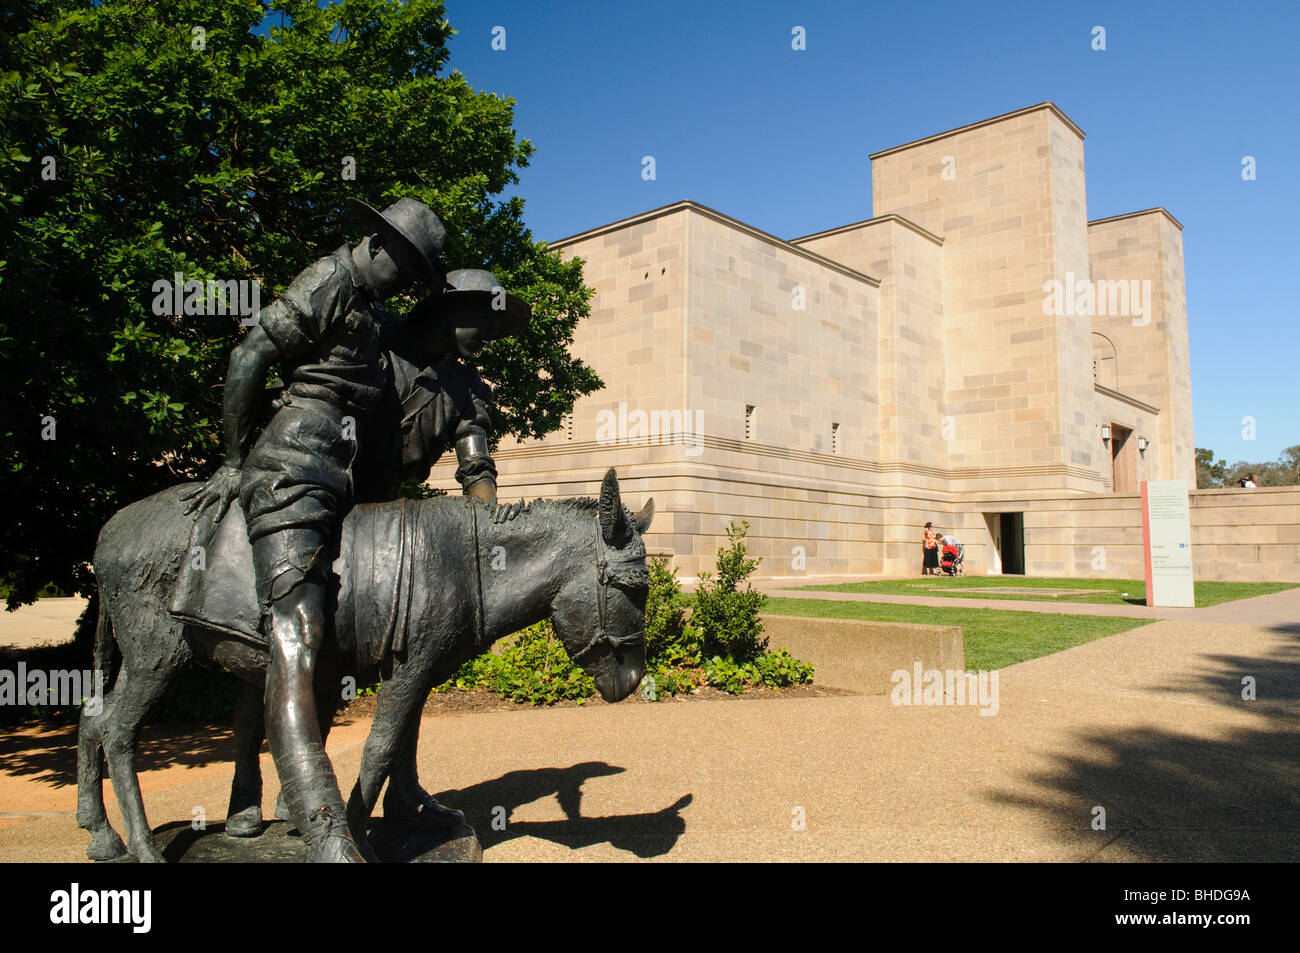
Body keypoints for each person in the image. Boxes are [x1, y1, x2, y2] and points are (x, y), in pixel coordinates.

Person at [181, 197, 449, 862]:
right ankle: (329, 836)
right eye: (406, 267)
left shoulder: (374, 310)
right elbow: (251, 354)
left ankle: (295, 798)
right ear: (377, 244)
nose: (407, 283)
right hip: (295, 466)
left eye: (419, 275)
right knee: (301, 637)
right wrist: (236, 458)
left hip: (348, 478)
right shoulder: (327, 280)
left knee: (339, 641)